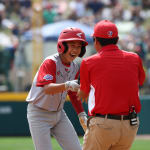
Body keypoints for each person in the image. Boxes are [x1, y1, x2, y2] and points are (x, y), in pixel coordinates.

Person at [77, 20, 146, 150]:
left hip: (103, 124)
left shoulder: (88, 62)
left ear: (95, 40)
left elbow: (83, 94)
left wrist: (75, 87)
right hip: (129, 126)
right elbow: (140, 82)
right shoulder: (135, 58)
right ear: (117, 39)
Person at [26, 27, 88, 150]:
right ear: (62, 46)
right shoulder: (50, 62)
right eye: (72, 45)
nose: (76, 49)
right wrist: (67, 85)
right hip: (39, 113)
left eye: (79, 46)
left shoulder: (75, 66)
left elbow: (72, 92)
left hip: (59, 114)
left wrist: (81, 113)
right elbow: (47, 88)